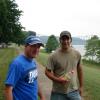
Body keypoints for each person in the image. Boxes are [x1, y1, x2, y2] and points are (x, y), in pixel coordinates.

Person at [45, 31, 83, 100]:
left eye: (67, 39)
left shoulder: (77, 54)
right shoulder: (53, 56)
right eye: (63, 39)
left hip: (73, 91)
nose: (65, 41)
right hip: (57, 92)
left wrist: (81, 86)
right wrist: (58, 80)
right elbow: (47, 72)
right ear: (60, 40)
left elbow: (79, 69)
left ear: (70, 40)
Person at [5, 35, 45, 100]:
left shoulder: (33, 62)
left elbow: (34, 81)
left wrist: (42, 97)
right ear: (25, 46)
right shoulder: (17, 64)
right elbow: (8, 89)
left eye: (38, 47)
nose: (36, 49)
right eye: (33, 46)